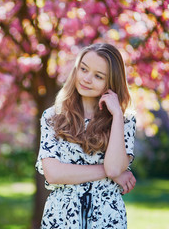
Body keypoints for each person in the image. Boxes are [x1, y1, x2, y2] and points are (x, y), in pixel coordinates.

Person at [35, 43, 137, 229]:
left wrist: (117, 116)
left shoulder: (124, 121)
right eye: (83, 69)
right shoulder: (52, 117)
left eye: (98, 76)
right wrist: (109, 173)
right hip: (61, 218)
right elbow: (54, 174)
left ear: (111, 82)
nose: (87, 79)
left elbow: (114, 169)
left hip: (107, 218)